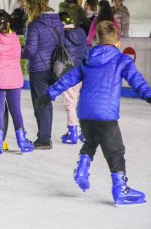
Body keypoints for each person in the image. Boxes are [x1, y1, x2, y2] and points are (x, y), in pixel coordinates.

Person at [37, 21, 150, 206]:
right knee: (115, 151)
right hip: (105, 114)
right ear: (118, 43)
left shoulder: (87, 60)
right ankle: (120, 189)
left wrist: (49, 94)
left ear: (97, 41)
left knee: (90, 142)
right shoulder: (122, 60)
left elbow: (68, 79)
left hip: (85, 112)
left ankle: (82, 169)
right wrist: (148, 95)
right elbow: (136, 80)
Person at [0, 12, 34, 154]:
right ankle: (22, 141)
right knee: (16, 110)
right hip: (14, 79)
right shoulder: (15, 38)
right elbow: (18, 56)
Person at [22, 0, 64, 150]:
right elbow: (63, 43)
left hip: (39, 68)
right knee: (46, 103)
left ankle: (44, 138)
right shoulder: (58, 21)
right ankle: (45, 136)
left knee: (41, 104)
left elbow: (31, 50)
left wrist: (18, 52)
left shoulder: (35, 25)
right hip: (55, 68)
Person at [58, 12, 89, 144]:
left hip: (70, 73)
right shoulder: (81, 33)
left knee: (70, 102)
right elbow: (87, 51)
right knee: (82, 102)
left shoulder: (61, 36)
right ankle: (84, 132)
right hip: (83, 71)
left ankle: (73, 132)